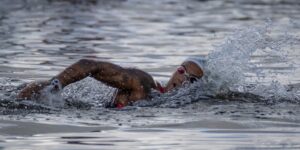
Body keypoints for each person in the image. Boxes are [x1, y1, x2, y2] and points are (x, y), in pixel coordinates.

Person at [17, 57, 205, 108]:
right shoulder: (143, 83)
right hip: (37, 102)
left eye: (193, 80)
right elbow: (89, 64)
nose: (184, 80)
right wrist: (54, 86)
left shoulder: (169, 103)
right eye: (182, 71)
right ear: (175, 70)